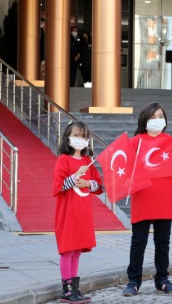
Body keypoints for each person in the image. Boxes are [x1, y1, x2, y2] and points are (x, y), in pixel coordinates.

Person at [123, 102, 172, 296]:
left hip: (164, 196)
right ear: (144, 120)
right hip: (143, 196)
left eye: (160, 116)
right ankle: (133, 281)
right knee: (138, 241)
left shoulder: (170, 141)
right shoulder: (135, 142)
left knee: (163, 241)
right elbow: (122, 167)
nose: (157, 120)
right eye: (153, 117)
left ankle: (162, 279)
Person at [52, 121, 102, 303]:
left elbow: (98, 186)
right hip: (67, 213)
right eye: (76, 135)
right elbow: (58, 186)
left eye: (83, 136)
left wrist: (88, 183)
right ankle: (66, 290)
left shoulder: (88, 161)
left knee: (76, 251)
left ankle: (74, 287)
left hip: (83, 214)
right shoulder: (63, 160)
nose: (80, 139)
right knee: (67, 250)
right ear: (67, 138)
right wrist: (74, 177)